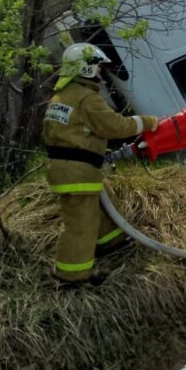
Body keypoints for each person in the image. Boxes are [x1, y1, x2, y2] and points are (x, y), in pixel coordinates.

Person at [43, 43, 158, 285]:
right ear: (85, 69)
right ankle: (71, 276)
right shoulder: (86, 99)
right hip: (76, 172)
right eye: (97, 67)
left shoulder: (62, 96)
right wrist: (146, 121)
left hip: (72, 170)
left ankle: (112, 243)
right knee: (80, 224)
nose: (100, 72)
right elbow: (115, 126)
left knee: (103, 205)